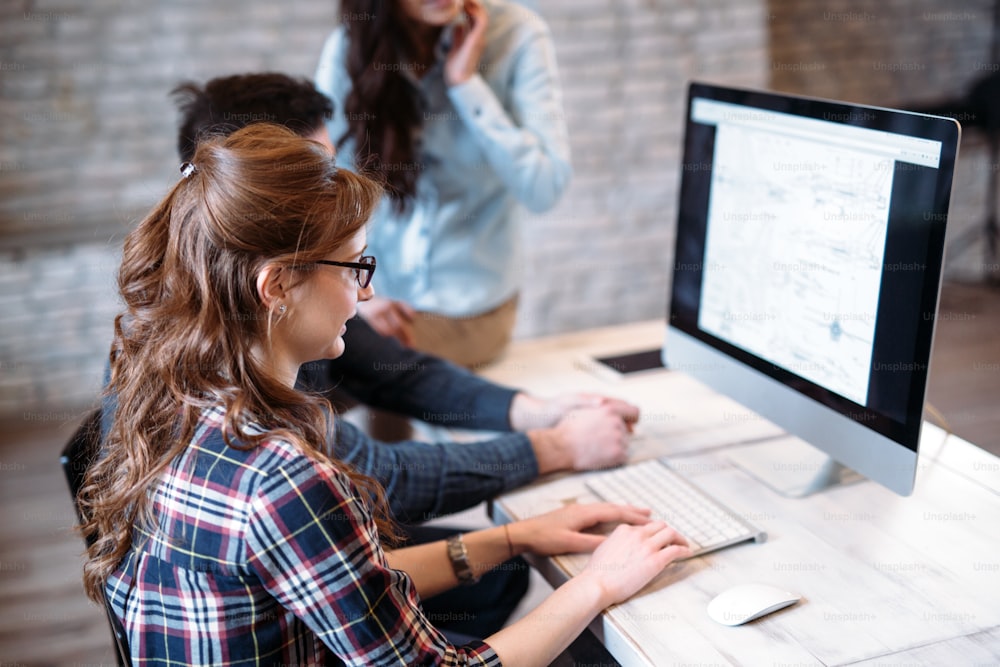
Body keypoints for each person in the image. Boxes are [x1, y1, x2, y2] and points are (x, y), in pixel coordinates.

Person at [79, 124, 690, 665]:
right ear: (277, 285)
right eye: (352, 268)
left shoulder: (164, 399)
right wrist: (598, 584)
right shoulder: (281, 478)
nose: (365, 295)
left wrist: (516, 537)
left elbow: (342, 581)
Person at [316, 0, 571, 367]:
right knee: (310, 353)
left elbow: (545, 188)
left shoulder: (517, 34)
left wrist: (466, 86)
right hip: (375, 297)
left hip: (468, 307)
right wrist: (352, 294)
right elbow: (323, 185)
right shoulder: (352, 45)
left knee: (352, 367)